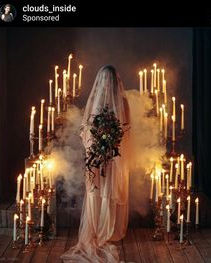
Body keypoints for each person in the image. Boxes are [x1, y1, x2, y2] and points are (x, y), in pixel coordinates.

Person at [61, 65, 130, 262]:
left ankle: (107, 230)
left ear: (116, 83)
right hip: (95, 154)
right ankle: (94, 227)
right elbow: (85, 128)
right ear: (99, 83)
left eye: (110, 82)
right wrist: (97, 141)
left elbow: (127, 130)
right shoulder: (94, 101)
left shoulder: (123, 102)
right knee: (95, 189)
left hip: (114, 156)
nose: (106, 86)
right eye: (103, 81)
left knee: (109, 189)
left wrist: (112, 142)